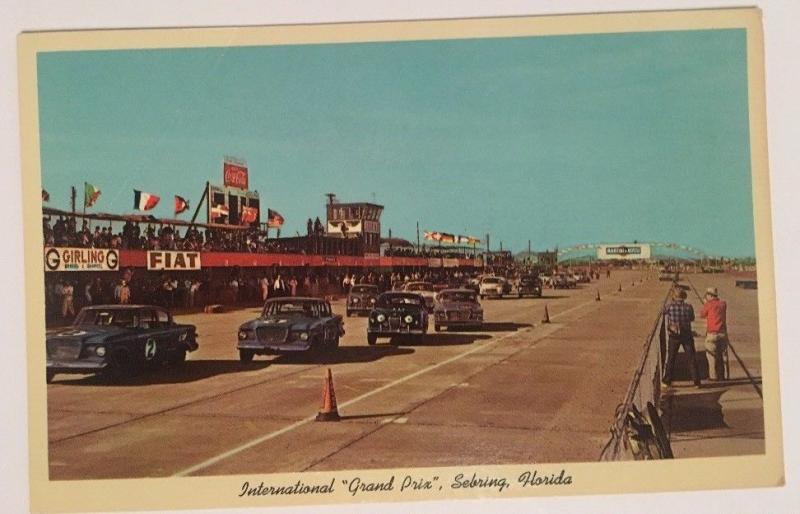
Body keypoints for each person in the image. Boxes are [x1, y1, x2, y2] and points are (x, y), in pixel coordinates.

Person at [662, 288, 701, 387]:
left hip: (674, 335)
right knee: (691, 358)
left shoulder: (670, 306)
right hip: (687, 334)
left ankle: (667, 381)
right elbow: (692, 318)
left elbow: (663, 311)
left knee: (671, 358)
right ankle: (696, 381)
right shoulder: (689, 307)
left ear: (674, 296)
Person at [699, 287, 729, 381]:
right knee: (724, 356)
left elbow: (702, 315)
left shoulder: (708, 305)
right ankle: (725, 376)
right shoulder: (723, 304)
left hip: (712, 334)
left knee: (711, 356)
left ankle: (713, 376)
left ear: (710, 296)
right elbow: (717, 307)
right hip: (722, 333)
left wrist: (706, 303)